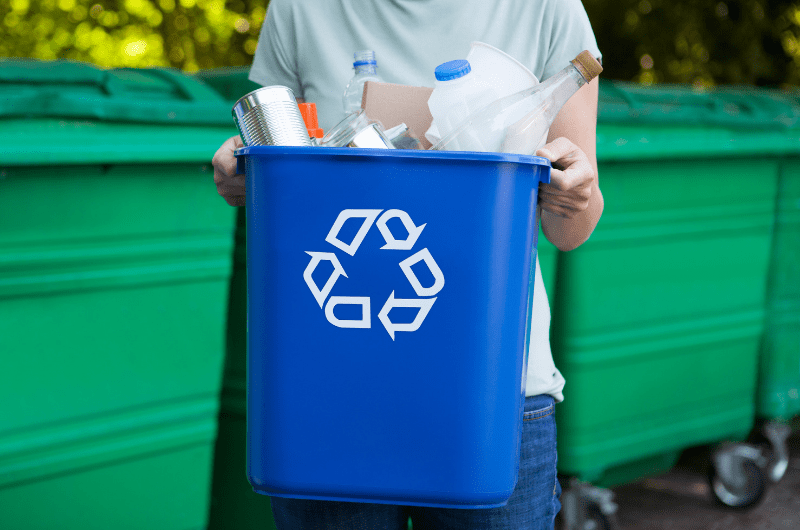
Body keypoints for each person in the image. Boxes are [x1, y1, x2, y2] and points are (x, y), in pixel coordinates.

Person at [212, 1, 603, 528]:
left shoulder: (545, 8)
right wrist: (244, 172)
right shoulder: (301, 9)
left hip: (492, 387)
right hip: (329, 387)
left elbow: (571, 227)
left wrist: (574, 196)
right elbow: (275, 156)